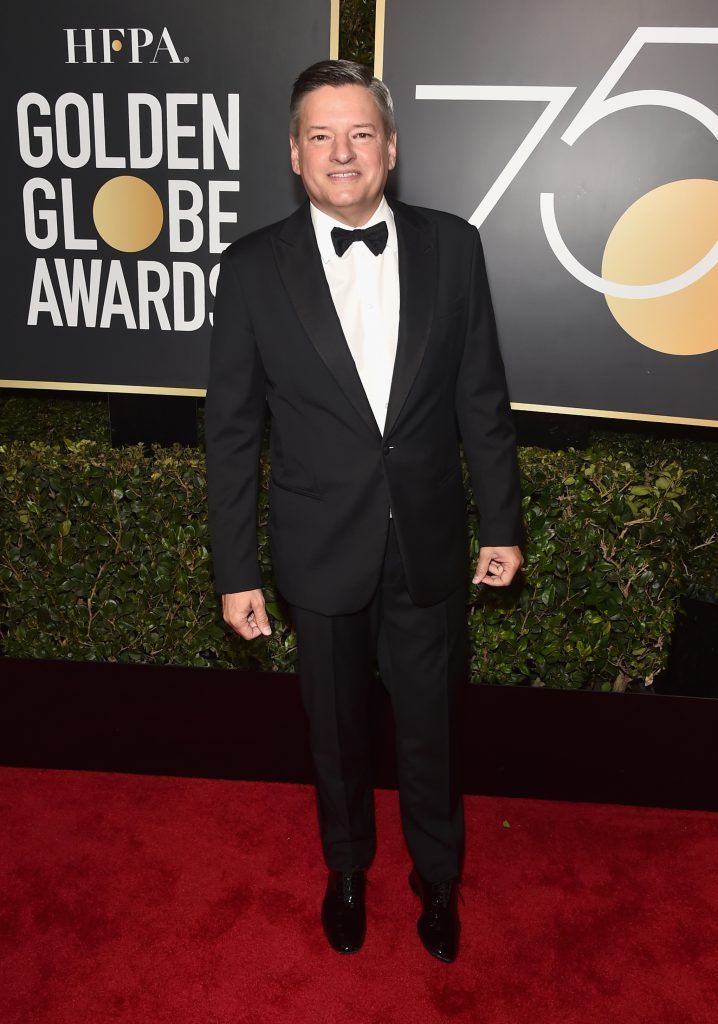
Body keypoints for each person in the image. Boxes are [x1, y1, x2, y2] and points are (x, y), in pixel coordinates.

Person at [204, 59, 524, 963]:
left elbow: (482, 400)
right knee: (335, 732)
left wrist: (500, 521)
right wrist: (236, 572)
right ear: (294, 155)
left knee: (433, 728)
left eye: (360, 134)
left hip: (427, 542)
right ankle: (347, 869)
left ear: (391, 146)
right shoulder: (252, 268)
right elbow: (230, 432)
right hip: (318, 550)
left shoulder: (454, 247)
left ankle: (439, 878)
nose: (342, 153)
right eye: (321, 136)